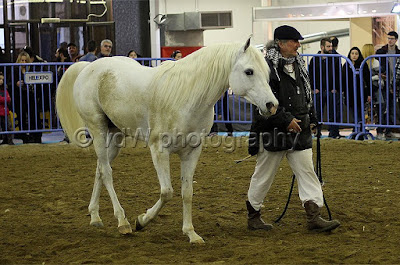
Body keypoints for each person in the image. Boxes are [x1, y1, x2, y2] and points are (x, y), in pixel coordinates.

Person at [246, 25, 340, 232]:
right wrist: (285, 120)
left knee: (307, 172)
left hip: (300, 130)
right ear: (280, 44)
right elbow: (265, 102)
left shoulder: (299, 64)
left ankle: (314, 216)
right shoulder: (265, 67)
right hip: (274, 131)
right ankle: (254, 216)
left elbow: (304, 95)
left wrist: (312, 117)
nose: (298, 45)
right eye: (294, 41)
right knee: (263, 176)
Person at [309, 38, 342, 138]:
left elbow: (339, 74)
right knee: (317, 113)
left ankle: (334, 133)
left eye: (331, 46)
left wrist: (336, 88)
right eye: (328, 46)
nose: (330, 48)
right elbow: (310, 75)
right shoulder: (314, 59)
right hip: (318, 91)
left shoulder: (335, 58)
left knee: (334, 113)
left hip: (331, 91)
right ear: (322, 47)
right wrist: (313, 88)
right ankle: (317, 132)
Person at [376, 31, 400, 139]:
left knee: (391, 108)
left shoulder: (398, 52)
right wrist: (380, 74)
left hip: (395, 84)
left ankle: (388, 130)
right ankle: (380, 130)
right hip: (384, 84)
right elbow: (376, 66)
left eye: (392, 38)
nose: (390, 40)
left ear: (396, 40)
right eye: (388, 38)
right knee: (382, 107)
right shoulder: (381, 52)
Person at [342, 47, 370, 134]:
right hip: (349, 94)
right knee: (353, 113)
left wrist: (369, 94)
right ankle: (356, 129)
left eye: (356, 54)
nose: (354, 56)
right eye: (352, 53)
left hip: (361, 93)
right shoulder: (346, 65)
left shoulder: (363, 65)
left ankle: (360, 130)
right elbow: (343, 80)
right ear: (350, 55)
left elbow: (368, 80)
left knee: (360, 113)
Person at [0, 72, 14, 145]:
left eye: (2, 79)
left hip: (5, 111)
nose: (1, 81)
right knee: (2, 127)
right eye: (0, 79)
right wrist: (4, 99)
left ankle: (9, 140)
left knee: (8, 126)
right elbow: (6, 99)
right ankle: (4, 139)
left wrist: (3, 99)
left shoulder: (4, 89)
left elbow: (8, 99)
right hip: (2, 110)